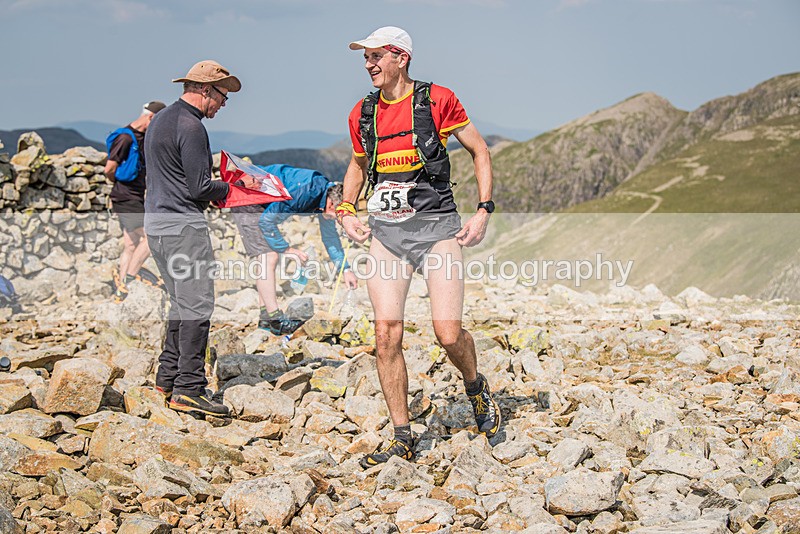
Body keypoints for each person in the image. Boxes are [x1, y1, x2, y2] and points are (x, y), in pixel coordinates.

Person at [339, 26, 501, 467]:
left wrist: (484, 209)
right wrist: (347, 209)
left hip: (436, 232)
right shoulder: (363, 112)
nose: (369, 65)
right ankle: (402, 434)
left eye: (376, 56)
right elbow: (357, 164)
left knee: (447, 333)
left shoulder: (437, 100)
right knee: (385, 335)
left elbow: (480, 150)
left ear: (401, 57)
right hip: (387, 237)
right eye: (365, 58)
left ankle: (474, 384)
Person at [144, 60, 254, 418]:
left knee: (179, 302)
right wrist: (237, 185)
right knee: (197, 305)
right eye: (223, 96)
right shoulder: (191, 127)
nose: (223, 104)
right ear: (206, 89)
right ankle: (189, 388)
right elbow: (200, 187)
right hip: (183, 228)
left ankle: (167, 377)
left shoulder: (161, 119)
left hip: (156, 227)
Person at [230, 167, 358, 335]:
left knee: (268, 256)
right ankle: (276, 321)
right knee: (269, 257)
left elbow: (330, 238)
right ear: (332, 203)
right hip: (246, 195)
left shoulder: (325, 200)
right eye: (339, 216)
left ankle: (266, 317)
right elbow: (266, 222)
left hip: (262, 202)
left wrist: (345, 270)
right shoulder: (307, 192)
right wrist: (288, 249)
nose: (338, 220)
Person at [104, 100, 166, 302]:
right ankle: (129, 279)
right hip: (126, 197)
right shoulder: (125, 138)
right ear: (150, 117)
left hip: (133, 196)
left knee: (131, 244)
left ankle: (121, 290)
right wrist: (121, 184)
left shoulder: (142, 137)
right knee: (152, 236)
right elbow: (109, 168)